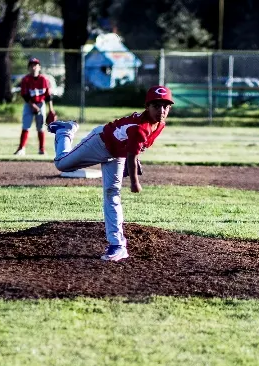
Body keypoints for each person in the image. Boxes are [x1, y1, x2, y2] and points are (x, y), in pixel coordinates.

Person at [47, 85, 174, 261]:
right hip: (100, 142)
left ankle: (117, 244)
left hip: (117, 153)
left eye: (165, 106)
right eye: (156, 105)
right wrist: (134, 181)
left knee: (112, 192)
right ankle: (65, 131)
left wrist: (135, 159)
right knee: (62, 164)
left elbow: (134, 148)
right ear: (147, 106)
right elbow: (133, 150)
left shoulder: (159, 124)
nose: (161, 110)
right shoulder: (140, 128)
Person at [14, 57, 55, 156]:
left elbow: (48, 96)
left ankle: (42, 149)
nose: (33, 67)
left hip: (41, 104)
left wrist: (51, 110)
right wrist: (33, 106)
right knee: (26, 126)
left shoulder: (44, 80)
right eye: (31, 65)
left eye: (35, 65)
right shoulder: (26, 79)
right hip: (29, 105)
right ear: (29, 68)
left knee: (41, 128)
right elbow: (25, 95)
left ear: (39, 67)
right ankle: (21, 148)